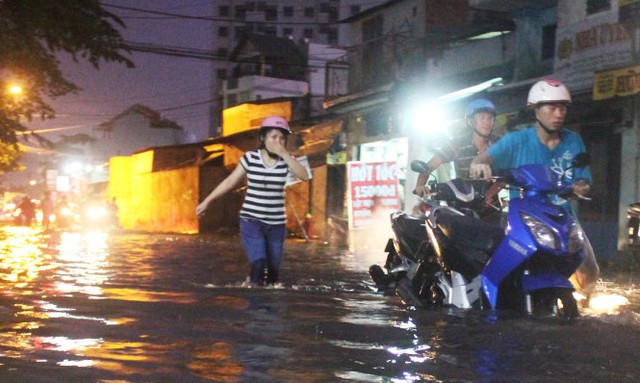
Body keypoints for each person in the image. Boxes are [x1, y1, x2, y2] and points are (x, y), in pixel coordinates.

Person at [469, 78, 599, 297]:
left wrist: (580, 187)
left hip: (563, 219)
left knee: (589, 269)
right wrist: (479, 165)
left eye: (563, 108)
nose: (559, 114)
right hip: (523, 218)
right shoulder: (515, 141)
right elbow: (484, 158)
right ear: (536, 111)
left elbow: (583, 180)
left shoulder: (574, 141)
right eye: (552, 107)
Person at [196, 116, 309, 287]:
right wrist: (207, 201)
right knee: (259, 262)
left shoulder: (287, 161)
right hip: (252, 221)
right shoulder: (250, 158)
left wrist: (285, 154)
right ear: (263, 138)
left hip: (277, 225)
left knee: (273, 274)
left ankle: (268, 308)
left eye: (282, 138)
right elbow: (230, 181)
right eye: (274, 137)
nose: (278, 141)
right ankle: (254, 308)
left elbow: (304, 175)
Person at [414, 98, 503, 220]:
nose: (487, 122)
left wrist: (490, 193)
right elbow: (430, 166)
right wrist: (420, 184)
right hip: (463, 204)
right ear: (470, 121)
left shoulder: (500, 143)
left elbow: (509, 172)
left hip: (491, 205)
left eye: (490, 118)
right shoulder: (457, 144)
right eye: (482, 118)